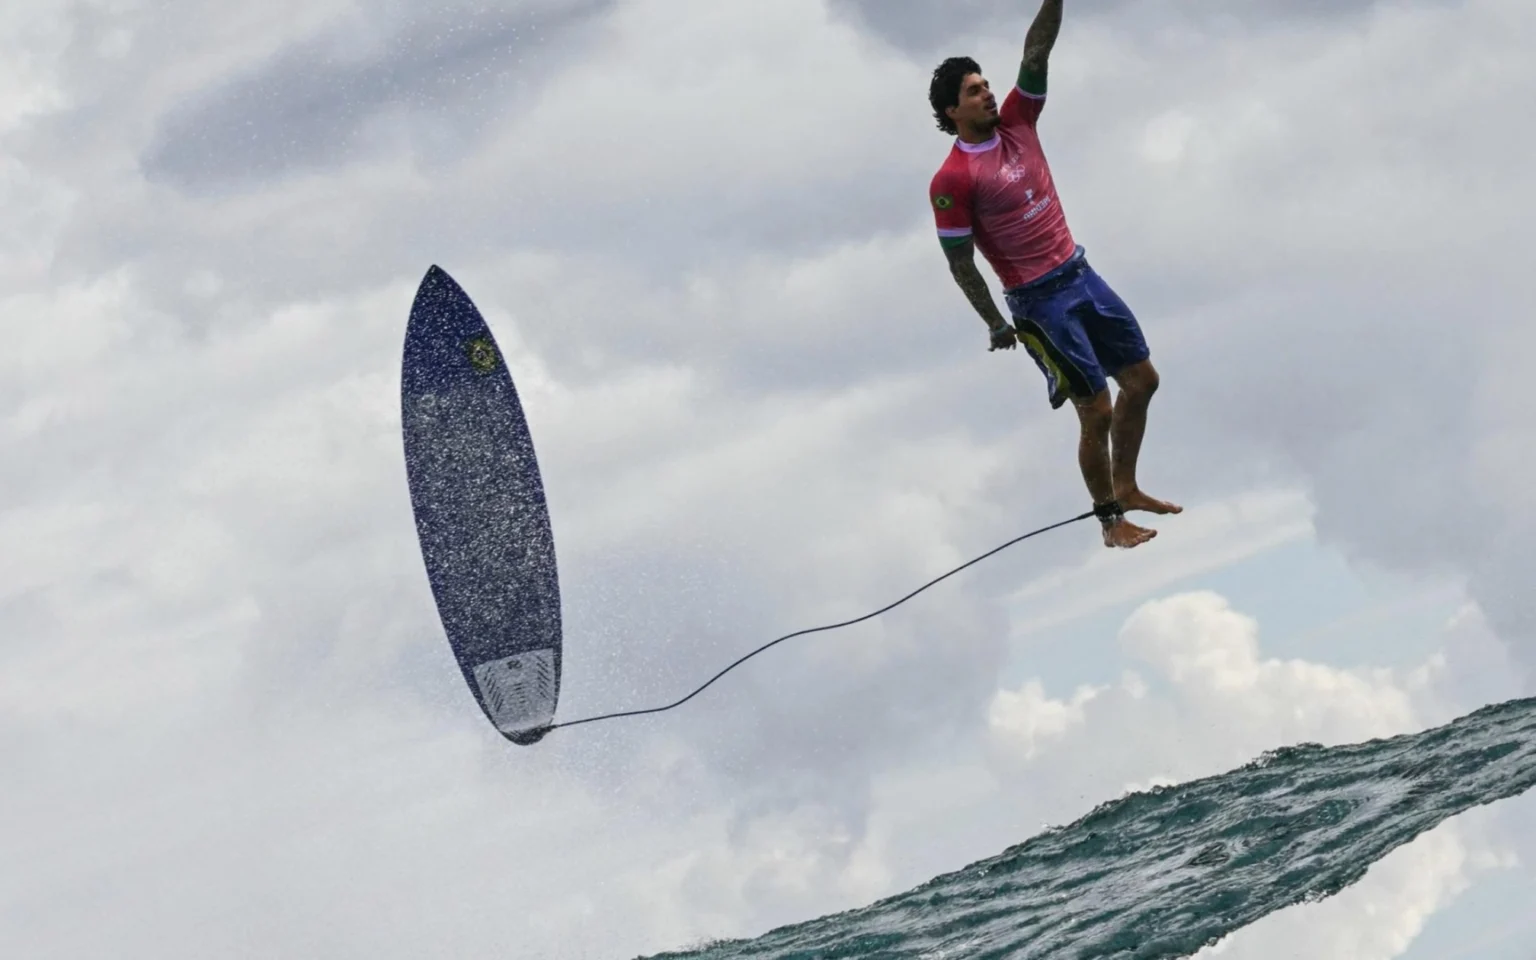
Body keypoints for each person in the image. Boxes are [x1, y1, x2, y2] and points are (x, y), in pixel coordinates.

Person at [927, 0, 1180, 549]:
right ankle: (1112, 522)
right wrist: (995, 322)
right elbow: (959, 261)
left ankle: (1128, 484)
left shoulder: (1018, 120)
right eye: (974, 90)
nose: (988, 92)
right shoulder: (952, 178)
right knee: (1097, 409)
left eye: (987, 83)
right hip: (1039, 303)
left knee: (1142, 382)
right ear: (952, 111)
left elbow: (1037, 48)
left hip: (1079, 272)